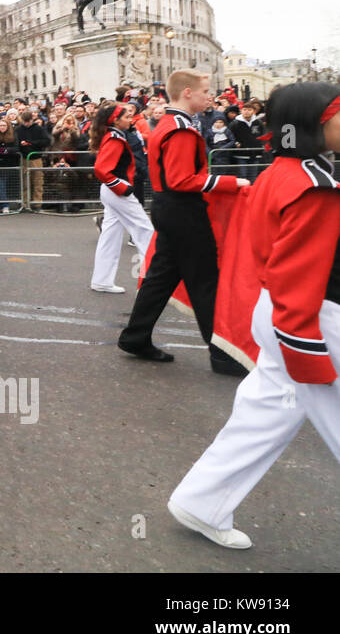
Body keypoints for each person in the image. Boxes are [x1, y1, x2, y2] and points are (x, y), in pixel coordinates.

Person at [168, 82, 340, 549]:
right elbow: (298, 278)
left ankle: (203, 501)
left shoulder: (282, 170)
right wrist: (306, 351)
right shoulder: (314, 185)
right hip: (309, 319)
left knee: (264, 414)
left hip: (283, 311)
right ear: (312, 124)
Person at [117, 69, 250, 373]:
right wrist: (230, 183)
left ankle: (136, 336)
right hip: (183, 210)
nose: (209, 96)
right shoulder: (180, 128)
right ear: (187, 92)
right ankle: (221, 353)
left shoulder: (172, 123)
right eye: (205, 91)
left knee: (161, 277)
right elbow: (181, 179)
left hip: (170, 208)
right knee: (204, 281)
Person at [89, 101, 154, 293]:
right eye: (126, 117)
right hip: (117, 192)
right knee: (146, 231)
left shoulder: (114, 135)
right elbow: (101, 169)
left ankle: (102, 280)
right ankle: (153, 282)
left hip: (113, 191)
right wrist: (122, 187)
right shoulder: (115, 138)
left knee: (110, 235)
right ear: (116, 121)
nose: (130, 119)